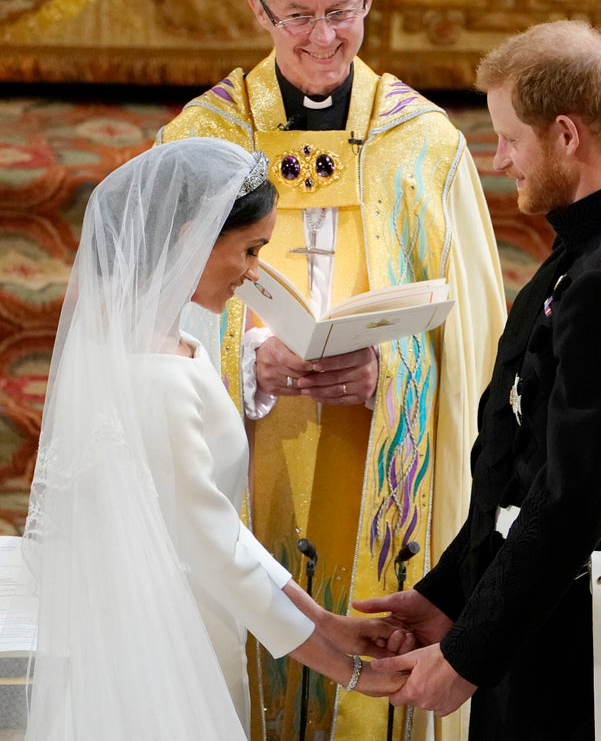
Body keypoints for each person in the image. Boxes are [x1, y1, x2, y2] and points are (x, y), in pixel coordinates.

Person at [157, 0, 507, 741]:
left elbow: (480, 343)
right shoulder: (200, 141)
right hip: (243, 450)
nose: (323, 36)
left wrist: (394, 375)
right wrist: (248, 364)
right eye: (300, 15)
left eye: (341, 11)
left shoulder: (424, 144)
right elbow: (146, 319)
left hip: (383, 461)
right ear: (258, 12)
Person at [358, 20, 601, 741]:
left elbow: (570, 504)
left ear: (566, 135)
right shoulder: (588, 247)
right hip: (549, 606)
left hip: (587, 628)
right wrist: (450, 594)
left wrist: (467, 656)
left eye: (511, 135)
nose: (500, 156)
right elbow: (520, 465)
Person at [21, 138, 408, 741]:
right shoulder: (154, 373)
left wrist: (328, 622)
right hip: (164, 653)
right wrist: (349, 672)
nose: (255, 273)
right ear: (188, 236)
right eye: (250, 251)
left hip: (191, 625)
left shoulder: (167, 341)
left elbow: (220, 528)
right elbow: (213, 549)